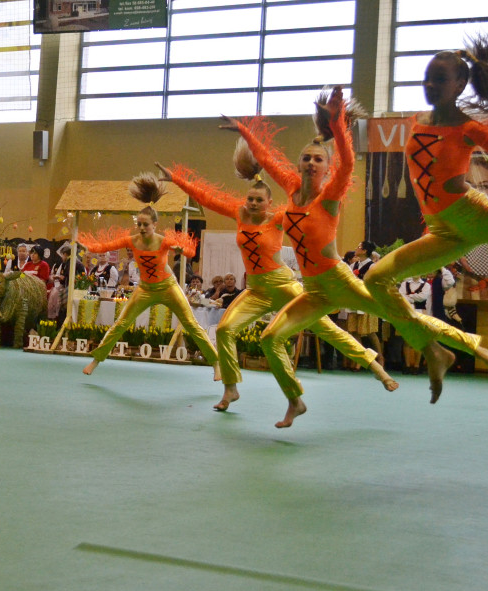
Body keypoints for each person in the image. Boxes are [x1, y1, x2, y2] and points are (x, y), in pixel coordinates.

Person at [230, 87, 488, 424]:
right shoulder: (292, 191)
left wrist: (339, 125)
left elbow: (349, 161)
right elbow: (267, 160)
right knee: (270, 338)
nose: (311, 163)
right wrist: (246, 133)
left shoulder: (329, 197)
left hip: (337, 281)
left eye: (318, 159)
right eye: (306, 158)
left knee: (401, 316)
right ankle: (295, 401)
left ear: (326, 167)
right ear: (298, 164)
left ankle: (471, 344)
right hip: (312, 290)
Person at [158, 140, 392, 414]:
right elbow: (208, 197)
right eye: (251, 199)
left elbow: (308, 215)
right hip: (255, 290)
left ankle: (375, 366)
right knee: (224, 330)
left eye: (260, 200)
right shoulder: (239, 213)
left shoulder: (280, 217)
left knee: (324, 327)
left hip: (283, 285)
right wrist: (175, 179)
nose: (254, 203)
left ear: (270, 203)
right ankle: (231, 389)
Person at [361, 32, 488, 393]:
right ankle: (434, 351)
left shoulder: (469, 128)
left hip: (474, 215)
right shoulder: (418, 121)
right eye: (426, 78)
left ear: (461, 84)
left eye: (441, 79)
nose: (430, 85)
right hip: (443, 232)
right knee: (375, 280)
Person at [76, 172, 218, 377]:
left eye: (146, 225)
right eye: (139, 224)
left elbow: (190, 251)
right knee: (121, 323)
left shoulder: (163, 241)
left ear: (154, 225)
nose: (141, 228)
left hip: (168, 287)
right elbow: (106, 245)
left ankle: (215, 363)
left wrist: (181, 249)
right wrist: (88, 245)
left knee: (191, 324)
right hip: (145, 289)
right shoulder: (133, 240)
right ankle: (96, 360)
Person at [346, 240, 383, 369]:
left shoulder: (372, 266)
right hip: (355, 299)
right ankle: (360, 357)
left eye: (359, 247)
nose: (356, 248)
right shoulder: (353, 265)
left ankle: (380, 356)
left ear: (365, 251)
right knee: (353, 330)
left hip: (366, 300)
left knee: (369, 331)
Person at [399, 275, 431, 374]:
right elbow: (400, 295)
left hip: (420, 313)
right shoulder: (404, 283)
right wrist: (414, 297)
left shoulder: (426, 285)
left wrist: (409, 297)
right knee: (407, 339)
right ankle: (407, 365)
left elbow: (422, 297)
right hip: (406, 313)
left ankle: (417, 366)